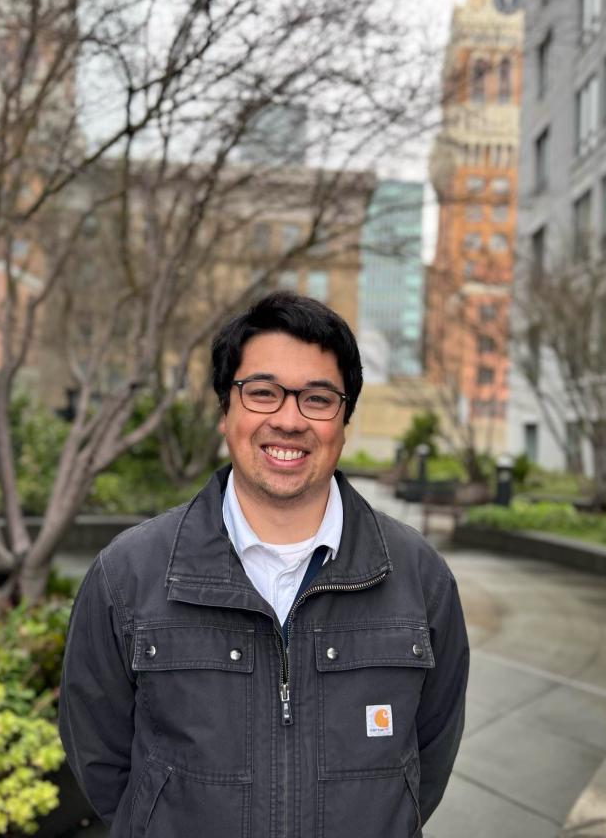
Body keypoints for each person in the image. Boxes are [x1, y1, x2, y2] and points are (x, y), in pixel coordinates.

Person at [58, 291, 469, 837]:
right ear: (226, 409)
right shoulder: (128, 575)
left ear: (343, 420)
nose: (289, 420)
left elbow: (427, 762)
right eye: (263, 393)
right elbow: (100, 759)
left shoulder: (420, 578)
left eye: (318, 399)